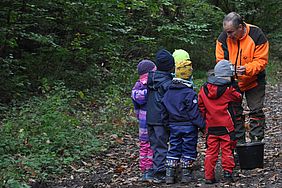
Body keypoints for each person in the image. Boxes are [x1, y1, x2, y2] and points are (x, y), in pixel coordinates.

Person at [215, 12, 269, 143]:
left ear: (240, 27)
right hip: (232, 82)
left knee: (256, 111)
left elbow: (261, 61)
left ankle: (256, 141)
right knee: (235, 113)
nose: (228, 35)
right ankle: (239, 144)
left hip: (254, 80)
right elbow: (220, 60)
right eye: (226, 32)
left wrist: (247, 69)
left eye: (231, 32)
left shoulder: (256, 35)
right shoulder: (223, 39)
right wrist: (229, 71)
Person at [162, 49, 205, 184]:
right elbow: (193, 112)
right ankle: (186, 174)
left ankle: (170, 174)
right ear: (189, 75)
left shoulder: (168, 92)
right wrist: (202, 125)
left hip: (173, 125)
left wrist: (166, 124)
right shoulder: (189, 93)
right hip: (188, 126)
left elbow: (164, 110)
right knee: (188, 148)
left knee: (174, 147)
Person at [198, 60, 242, 184]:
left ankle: (208, 176)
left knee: (211, 152)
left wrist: (203, 122)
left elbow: (200, 107)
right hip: (226, 126)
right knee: (227, 150)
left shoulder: (203, 89)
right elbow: (238, 97)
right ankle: (228, 173)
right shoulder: (228, 90)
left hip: (211, 126)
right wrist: (234, 85)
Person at [146, 49, 175, 183]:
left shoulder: (152, 79)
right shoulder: (166, 83)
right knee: (161, 146)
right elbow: (169, 103)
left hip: (151, 118)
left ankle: (155, 168)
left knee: (156, 145)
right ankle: (160, 172)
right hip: (160, 119)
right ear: (171, 66)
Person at [131, 60, 156, 182]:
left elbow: (136, 107)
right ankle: (150, 169)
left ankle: (144, 169)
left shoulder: (137, 87)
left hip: (142, 121)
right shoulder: (152, 87)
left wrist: (138, 116)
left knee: (143, 146)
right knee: (151, 145)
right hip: (151, 119)